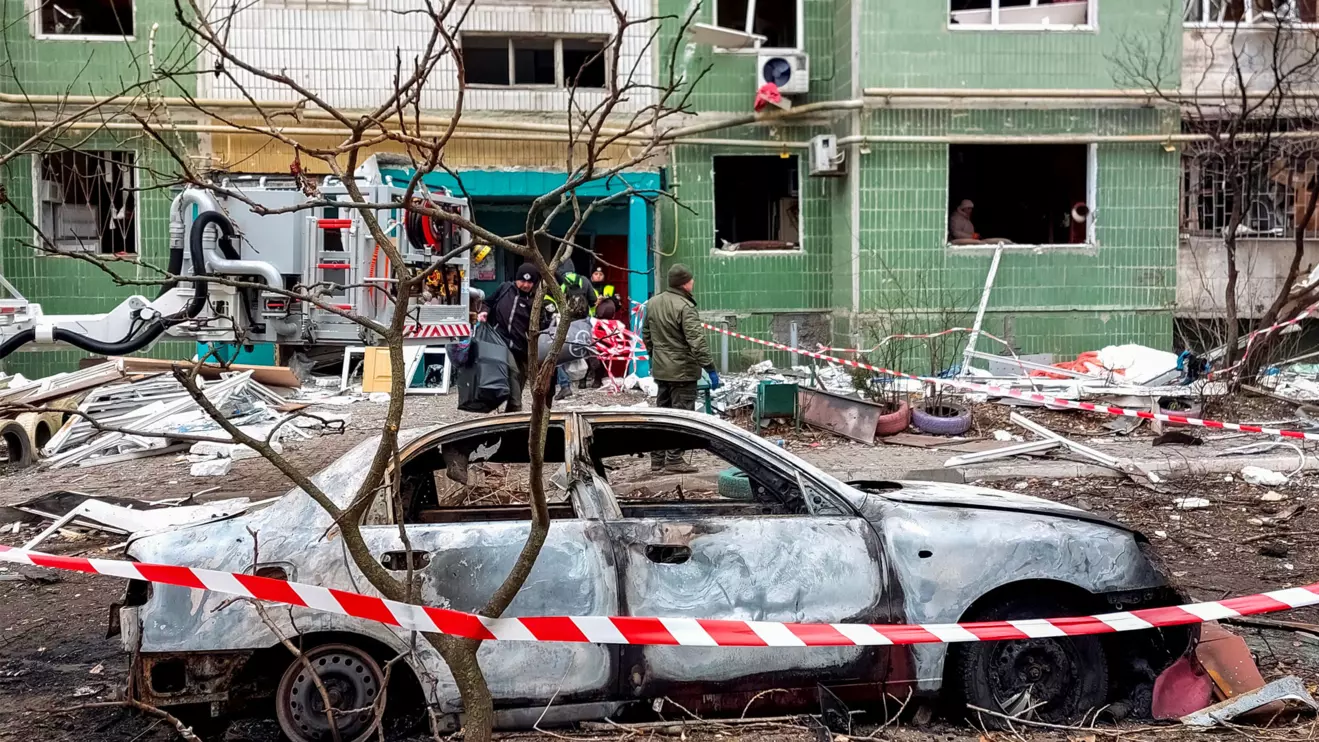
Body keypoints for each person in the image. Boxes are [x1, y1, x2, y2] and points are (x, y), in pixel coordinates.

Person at [642, 264, 720, 474]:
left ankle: (657, 460)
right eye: (691, 280)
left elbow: (646, 335)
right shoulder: (685, 307)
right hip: (682, 371)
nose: (693, 282)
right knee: (681, 416)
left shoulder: (653, 303)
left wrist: (655, 357)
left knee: (662, 415)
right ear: (684, 283)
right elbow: (697, 342)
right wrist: (710, 368)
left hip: (662, 370)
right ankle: (674, 460)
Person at [478, 263, 548, 413]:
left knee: (518, 381)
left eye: (530, 282)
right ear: (516, 279)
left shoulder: (536, 301)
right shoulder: (505, 289)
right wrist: (484, 312)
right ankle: (517, 407)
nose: (525, 285)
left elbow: (542, 325)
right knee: (512, 371)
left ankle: (511, 415)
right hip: (499, 341)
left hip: (522, 348)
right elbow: (488, 303)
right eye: (522, 281)